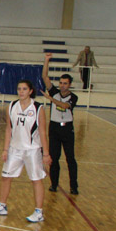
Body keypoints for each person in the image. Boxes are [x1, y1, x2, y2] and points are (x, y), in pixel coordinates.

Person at [0, 80, 52, 223]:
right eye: (19, 89)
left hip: (32, 150)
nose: (21, 91)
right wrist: (5, 149)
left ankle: (38, 212)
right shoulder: (11, 106)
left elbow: (42, 132)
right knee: (6, 177)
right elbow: (8, 129)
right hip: (14, 149)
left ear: (30, 91)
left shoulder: (38, 108)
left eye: (24, 89)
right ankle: (2, 206)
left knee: (36, 179)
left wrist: (45, 153)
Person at [42, 53, 79, 195]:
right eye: (61, 83)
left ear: (69, 85)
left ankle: (74, 186)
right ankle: (54, 184)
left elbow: (64, 106)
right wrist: (46, 61)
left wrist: (50, 99)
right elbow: (45, 77)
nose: (62, 85)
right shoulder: (54, 92)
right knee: (54, 158)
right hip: (55, 128)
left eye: (65, 83)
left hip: (67, 129)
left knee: (70, 159)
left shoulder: (73, 97)